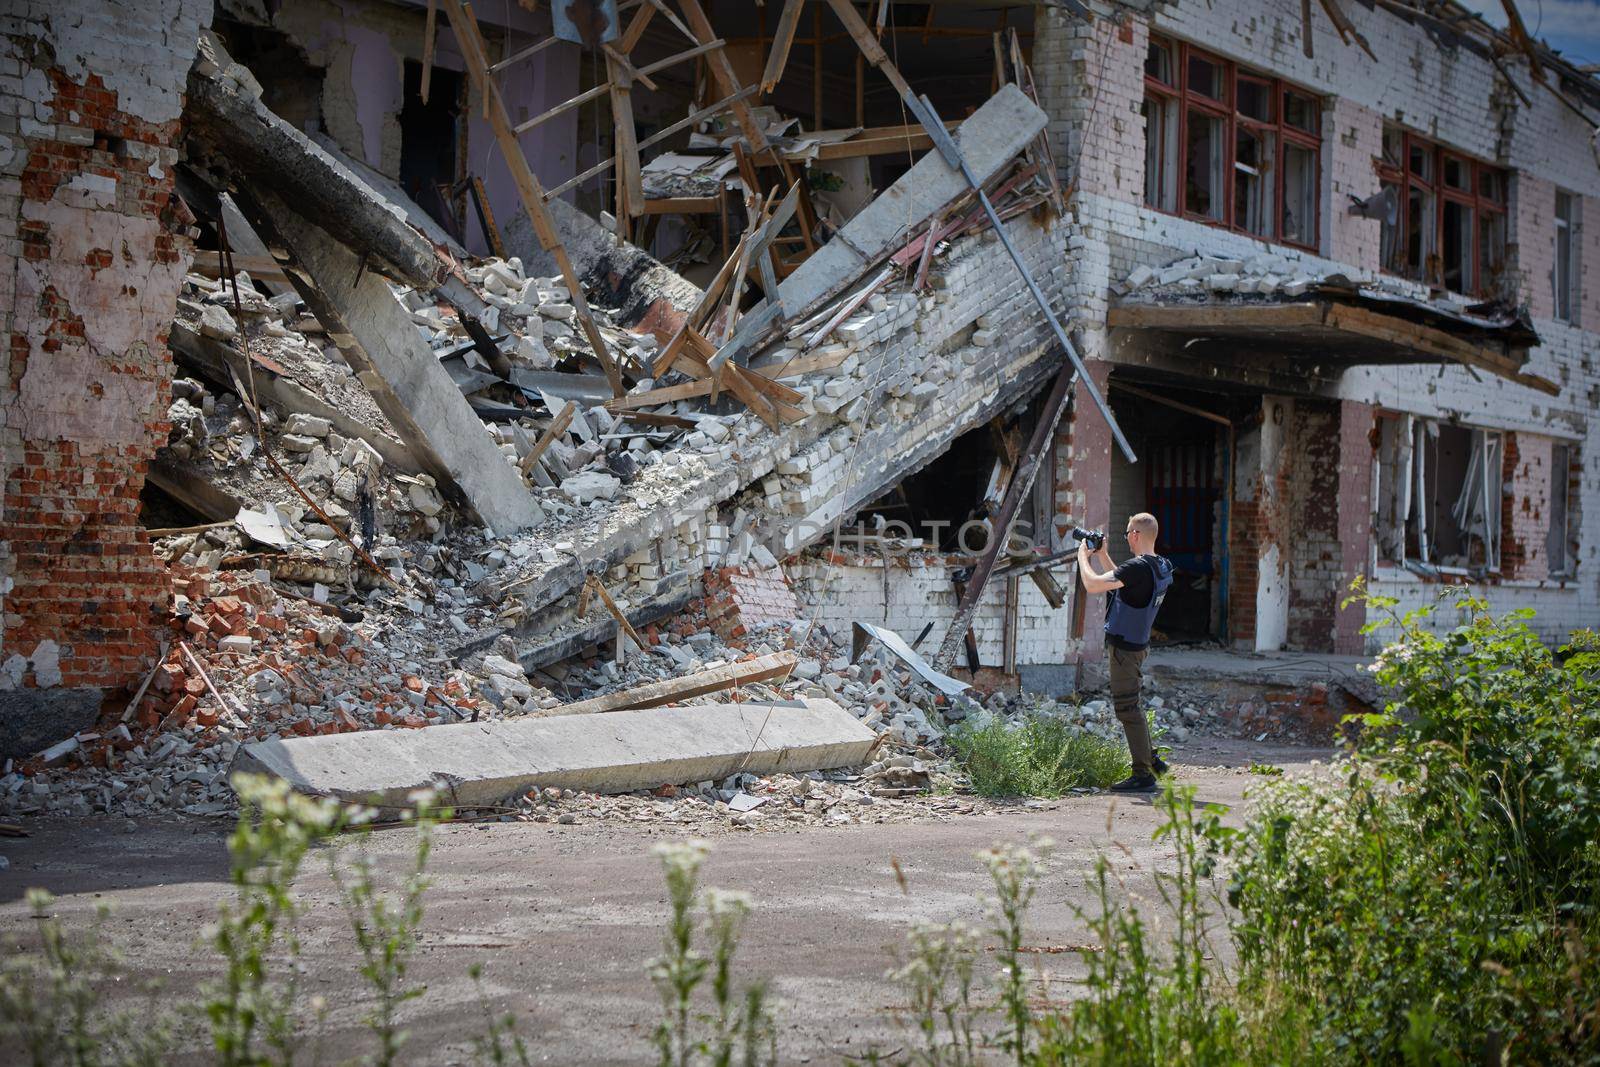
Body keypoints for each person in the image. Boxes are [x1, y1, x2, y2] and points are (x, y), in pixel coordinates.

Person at [1076, 512, 1174, 793]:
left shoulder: (1137, 568)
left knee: (1127, 709)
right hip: (1138, 645)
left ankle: (1143, 773)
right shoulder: (1160, 566)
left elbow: (1093, 585)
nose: (1127, 538)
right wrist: (1104, 555)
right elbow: (1126, 582)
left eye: (1128, 532)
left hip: (1124, 650)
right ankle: (1152, 759)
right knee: (1134, 705)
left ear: (1135, 535)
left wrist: (1084, 557)